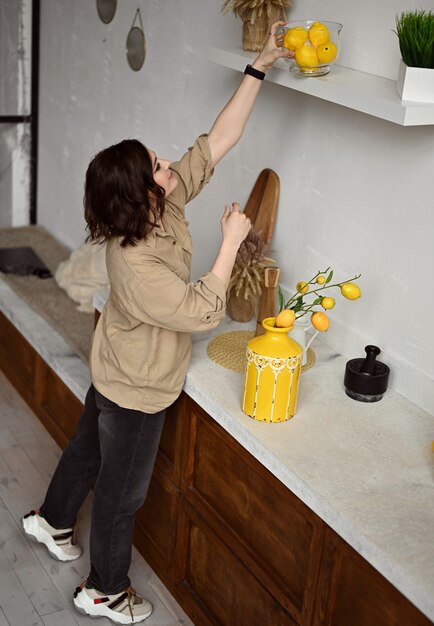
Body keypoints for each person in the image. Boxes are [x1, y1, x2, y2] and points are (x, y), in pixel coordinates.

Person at [21, 23, 293, 625]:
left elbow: (217, 141)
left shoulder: (160, 204)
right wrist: (231, 243)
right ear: (142, 195)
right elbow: (201, 310)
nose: (168, 164)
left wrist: (261, 66)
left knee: (86, 449)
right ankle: (105, 591)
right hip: (138, 388)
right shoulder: (135, 263)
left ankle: (50, 519)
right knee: (122, 497)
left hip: (112, 360)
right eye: (157, 166)